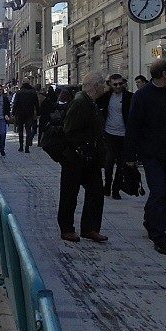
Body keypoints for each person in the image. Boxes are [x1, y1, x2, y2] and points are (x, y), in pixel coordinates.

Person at [124, 58, 166, 256]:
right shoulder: (142, 96)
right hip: (151, 153)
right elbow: (133, 127)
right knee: (158, 191)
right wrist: (130, 156)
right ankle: (159, 237)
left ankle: (150, 220)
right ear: (164, 73)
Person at [56, 71, 109, 243]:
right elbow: (69, 129)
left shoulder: (91, 103)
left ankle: (90, 228)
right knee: (69, 194)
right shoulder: (80, 102)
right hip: (75, 158)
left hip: (90, 158)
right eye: (103, 84)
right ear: (95, 86)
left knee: (96, 191)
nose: (104, 87)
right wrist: (83, 148)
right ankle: (66, 228)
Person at [95, 74, 132, 199]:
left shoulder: (129, 97)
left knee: (121, 162)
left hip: (124, 134)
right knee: (109, 160)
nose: (118, 86)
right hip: (109, 132)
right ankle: (107, 186)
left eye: (120, 84)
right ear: (110, 84)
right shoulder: (106, 97)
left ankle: (116, 188)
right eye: (115, 84)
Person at [12, 82, 40, 152]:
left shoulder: (19, 92)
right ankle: (27, 147)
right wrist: (38, 112)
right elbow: (36, 103)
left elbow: (15, 103)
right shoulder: (33, 92)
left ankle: (21, 146)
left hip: (20, 113)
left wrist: (13, 112)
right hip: (30, 113)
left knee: (20, 130)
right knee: (28, 130)